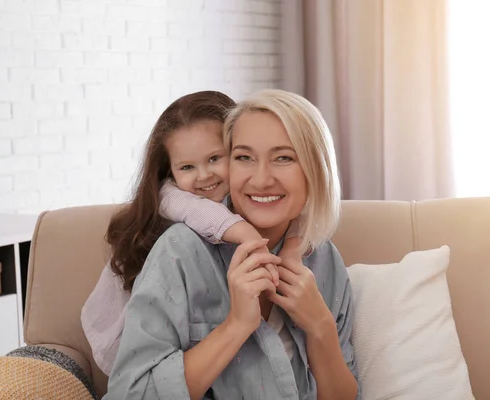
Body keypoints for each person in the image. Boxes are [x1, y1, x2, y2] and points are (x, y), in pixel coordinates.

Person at [103, 89, 360, 399]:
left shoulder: (325, 260)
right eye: (244, 158)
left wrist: (320, 327)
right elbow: (130, 395)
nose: (262, 179)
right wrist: (236, 325)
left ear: (315, 169)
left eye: (283, 158)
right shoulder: (180, 253)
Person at [81, 91, 303, 376]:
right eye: (187, 167)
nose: (203, 176)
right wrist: (248, 235)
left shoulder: (249, 196)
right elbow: (203, 213)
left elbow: (298, 206)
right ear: (170, 171)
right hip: (121, 336)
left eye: (214, 158)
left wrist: (293, 247)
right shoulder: (171, 197)